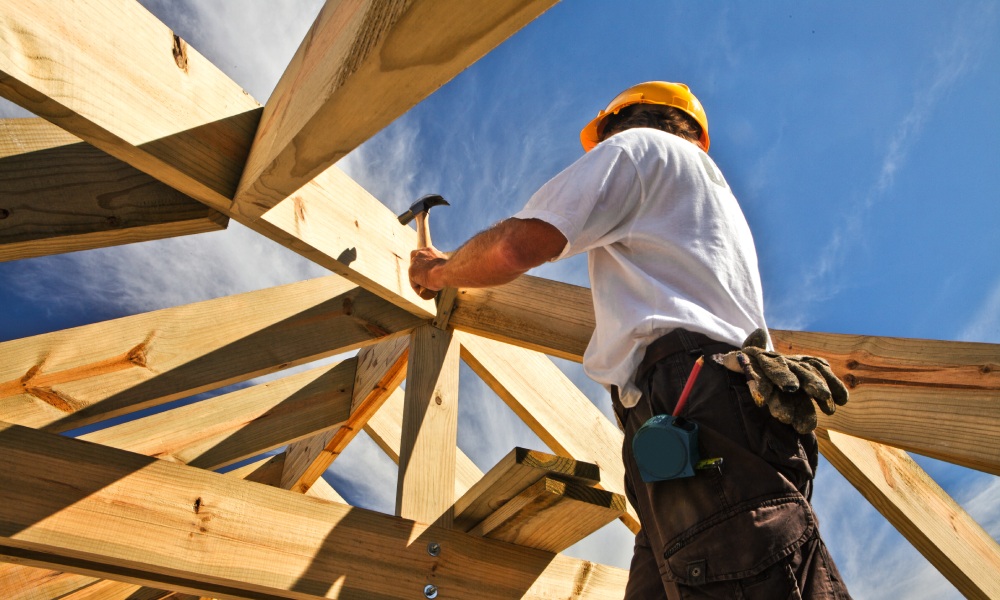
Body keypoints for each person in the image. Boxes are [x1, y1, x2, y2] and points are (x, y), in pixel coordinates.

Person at [408, 81, 851, 599]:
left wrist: (439, 272)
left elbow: (516, 245)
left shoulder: (642, 150)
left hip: (695, 408)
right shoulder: (707, 198)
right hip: (699, 425)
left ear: (622, 122)